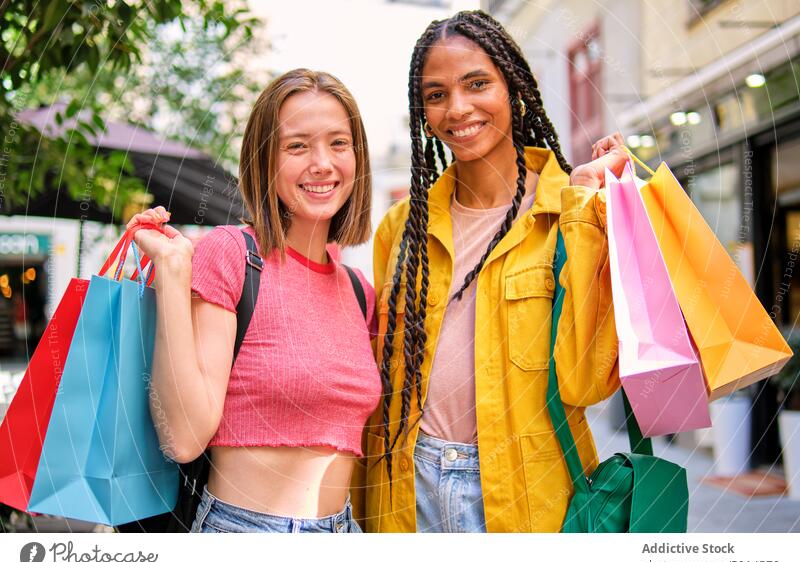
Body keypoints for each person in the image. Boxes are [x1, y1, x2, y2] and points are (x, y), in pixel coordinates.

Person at [353, 10, 627, 533]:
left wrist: (587, 214)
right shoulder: (400, 229)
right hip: (407, 487)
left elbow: (589, 378)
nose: (457, 109)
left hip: (527, 494)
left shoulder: (566, 214)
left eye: (477, 84)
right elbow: (382, 374)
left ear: (516, 87)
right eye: (436, 94)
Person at [129, 69, 380, 533]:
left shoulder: (359, 290)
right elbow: (183, 437)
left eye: (338, 143)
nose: (322, 163)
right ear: (265, 162)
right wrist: (173, 271)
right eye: (297, 146)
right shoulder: (232, 254)